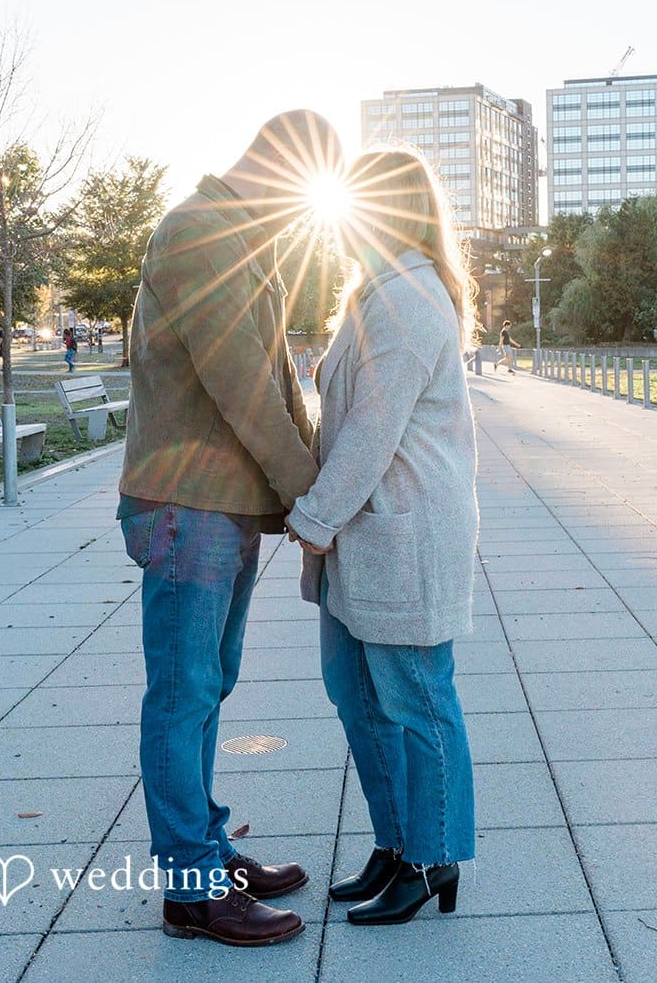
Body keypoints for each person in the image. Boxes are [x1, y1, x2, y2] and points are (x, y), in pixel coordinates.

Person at [118, 109, 344, 949]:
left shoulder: (248, 240)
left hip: (223, 504)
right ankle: (189, 886)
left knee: (207, 684)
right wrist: (308, 498)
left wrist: (303, 496)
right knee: (182, 692)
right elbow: (243, 384)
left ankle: (206, 846)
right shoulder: (198, 232)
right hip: (186, 504)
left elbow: (281, 376)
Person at [286, 148, 478, 927]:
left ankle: (434, 856)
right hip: (364, 537)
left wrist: (313, 519)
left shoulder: (408, 300)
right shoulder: (376, 292)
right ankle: (397, 843)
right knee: (358, 695)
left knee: (418, 700)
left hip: (403, 536)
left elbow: (369, 433)